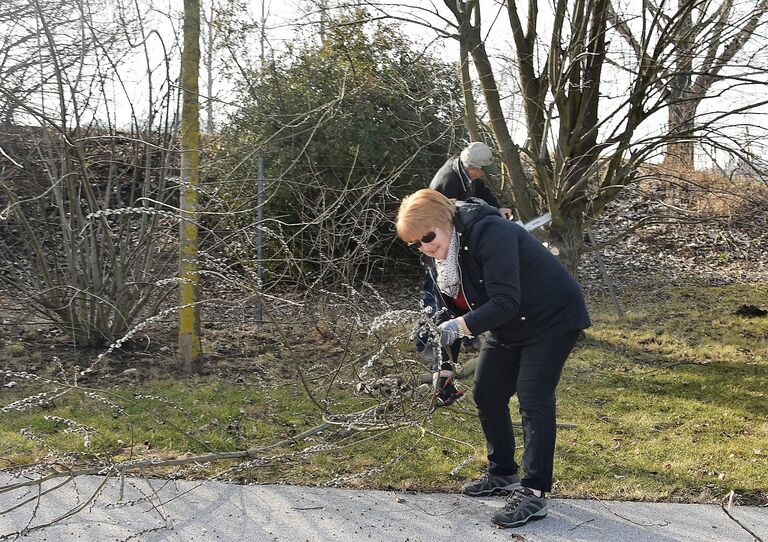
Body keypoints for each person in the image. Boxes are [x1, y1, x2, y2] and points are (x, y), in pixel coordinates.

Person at [396, 189, 591, 528]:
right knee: (487, 393)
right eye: (416, 244)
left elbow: (505, 301)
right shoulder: (440, 255)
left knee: (533, 399)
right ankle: (502, 474)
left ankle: (534, 493)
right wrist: (445, 368)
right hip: (508, 324)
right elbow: (447, 312)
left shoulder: (490, 232)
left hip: (551, 318)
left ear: (444, 220)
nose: (424, 247)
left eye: (427, 237)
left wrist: (460, 327)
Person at [418, 142, 511, 362]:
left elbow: (482, 192)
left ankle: (467, 336)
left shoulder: (467, 174)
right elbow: (450, 217)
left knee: (466, 288)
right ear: (472, 167)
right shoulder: (447, 183)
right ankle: (427, 342)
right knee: (436, 294)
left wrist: (497, 208)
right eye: (481, 171)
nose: (483, 175)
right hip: (436, 245)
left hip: (456, 243)